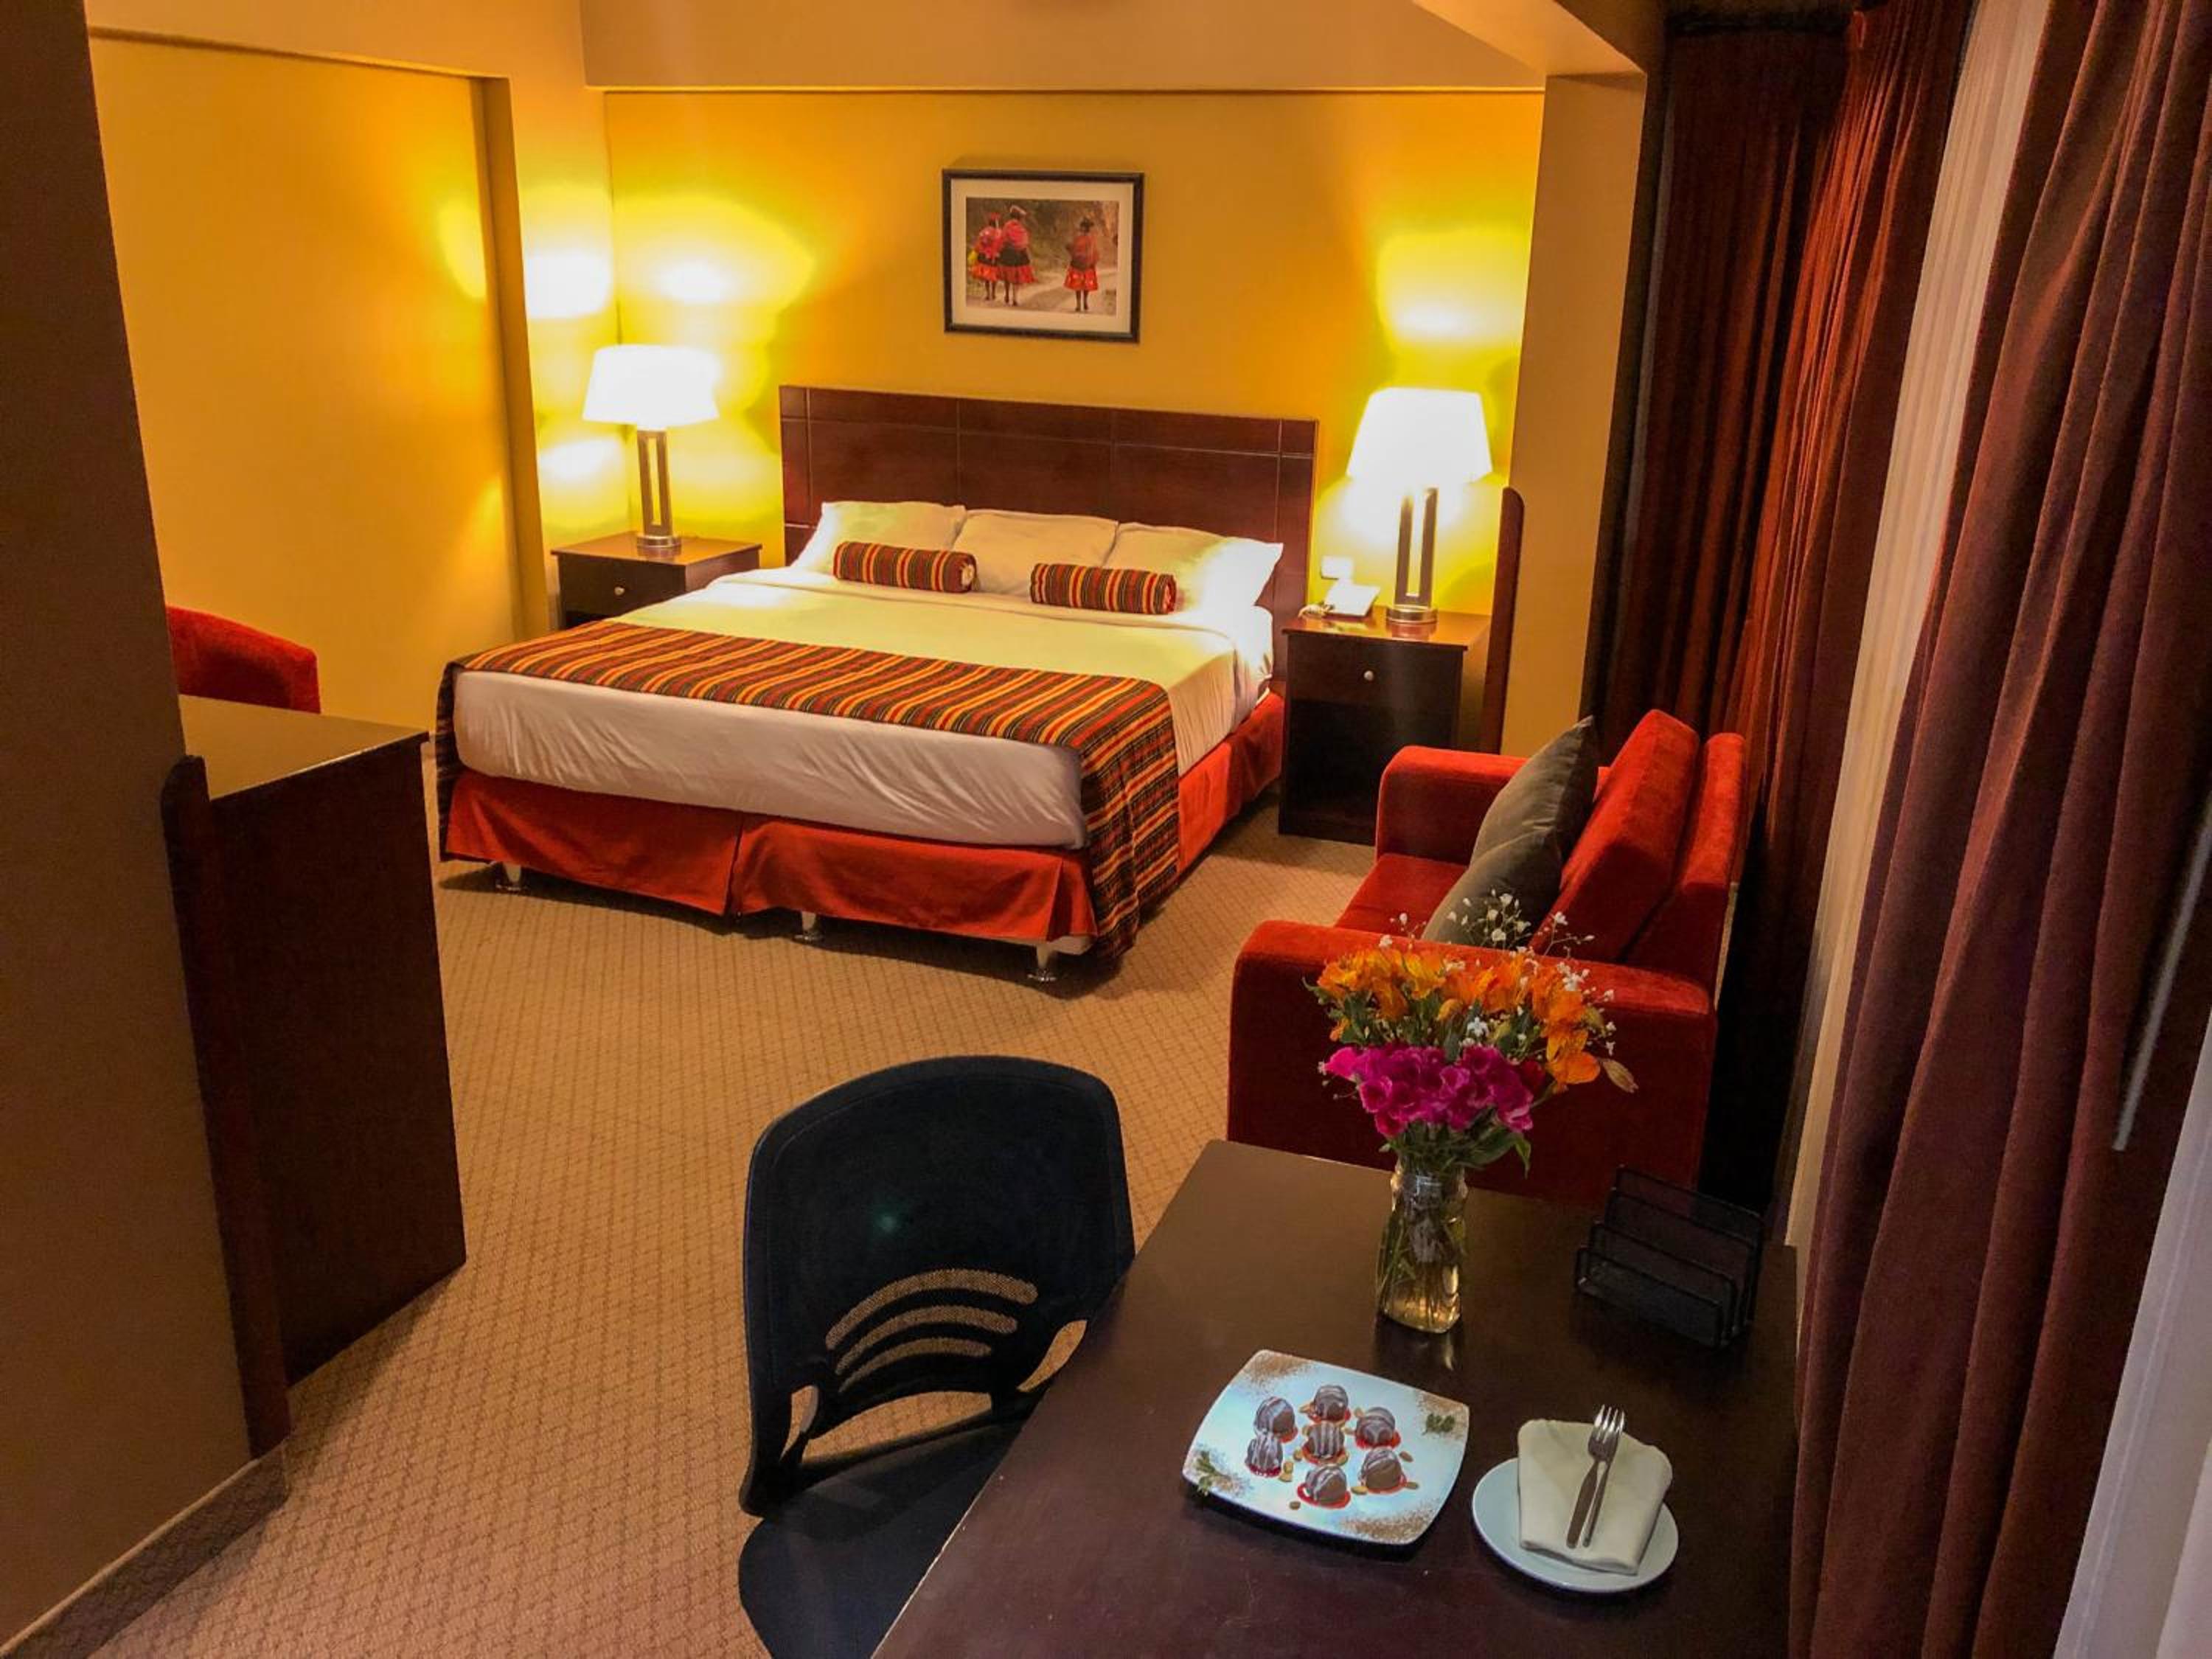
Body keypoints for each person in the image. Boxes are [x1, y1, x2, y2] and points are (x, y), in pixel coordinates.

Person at [996, 205, 1034, 304]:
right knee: (1017, 277)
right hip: (1020, 254)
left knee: (1007, 275)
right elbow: (1025, 242)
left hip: (1008, 253)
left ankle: (1007, 294)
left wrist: (999, 250)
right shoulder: (1021, 228)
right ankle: (1015, 298)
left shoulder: (1007, 226)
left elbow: (1003, 239)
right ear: (1019, 217)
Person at [1063, 217, 1100, 313]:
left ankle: (1083, 302)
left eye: (1083, 227)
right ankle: (1080, 303)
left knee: (1081, 285)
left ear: (1085, 228)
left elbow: (1092, 251)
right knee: (1081, 286)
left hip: (1082, 264)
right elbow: (1075, 248)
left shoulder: (1086, 239)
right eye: (1082, 226)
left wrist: (1071, 249)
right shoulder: (1084, 238)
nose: (1082, 228)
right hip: (1083, 264)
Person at [971, 212, 1003, 302]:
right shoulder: (999, 232)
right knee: (994, 275)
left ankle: (988, 294)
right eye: (997, 222)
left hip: (984, 256)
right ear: (995, 223)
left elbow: (980, 243)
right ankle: (993, 294)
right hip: (995, 256)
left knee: (986, 276)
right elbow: (1001, 244)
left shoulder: (984, 231)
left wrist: (978, 251)